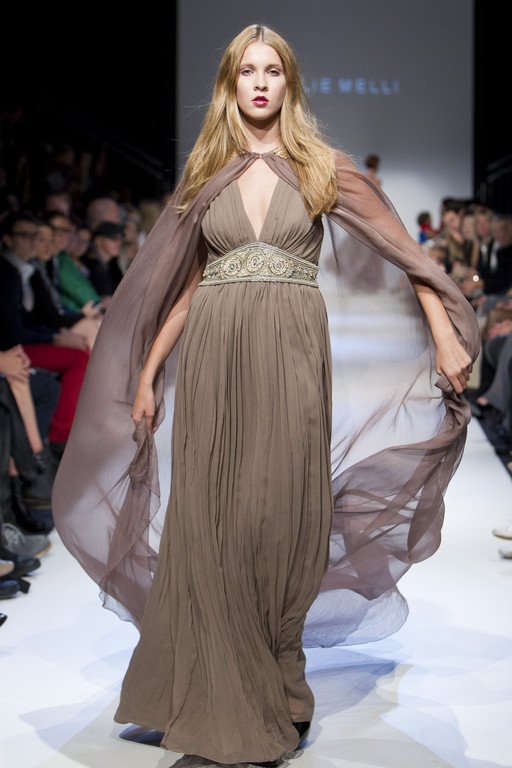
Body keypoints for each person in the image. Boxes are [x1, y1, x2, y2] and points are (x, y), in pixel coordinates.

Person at [52, 24, 480, 767]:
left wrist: (444, 335)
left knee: (279, 517)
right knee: (212, 517)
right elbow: (189, 286)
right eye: (246, 70)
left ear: (289, 83)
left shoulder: (322, 167)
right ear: (230, 84)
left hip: (290, 356)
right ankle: (221, 706)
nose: (259, 82)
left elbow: (407, 255)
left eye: (272, 70)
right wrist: (149, 372)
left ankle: (277, 683)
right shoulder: (207, 173)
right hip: (215, 357)